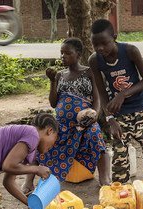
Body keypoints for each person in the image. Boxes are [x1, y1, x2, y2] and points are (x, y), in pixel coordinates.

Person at [89, 19, 143, 183]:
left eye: (104, 43)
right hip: (118, 115)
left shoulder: (130, 51)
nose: (100, 48)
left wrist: (122, 94)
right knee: (120, 164)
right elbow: (102, 93)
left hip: (142, 109)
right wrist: (110, 119)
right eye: (95, 45)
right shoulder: (95, 60)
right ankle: (122, 199)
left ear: (114, 37)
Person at [38, 38, 110, 183]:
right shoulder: (59, 75)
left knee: (95, 134)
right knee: (39, 138)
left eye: (67, 53)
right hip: (61, 124)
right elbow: (53, 103)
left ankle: (105, 178)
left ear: (78, 54)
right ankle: (29, 181)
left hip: (84, 122)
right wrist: (52, 81)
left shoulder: (89, 72)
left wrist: (93, 116)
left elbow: (97, 99)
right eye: (61, 53)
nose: (63, 56)